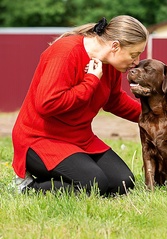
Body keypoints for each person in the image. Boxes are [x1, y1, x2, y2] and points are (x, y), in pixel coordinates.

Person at [12, 15, 149, 196]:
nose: (136, 61)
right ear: (115, 46)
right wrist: (90, 81)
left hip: (79, 139)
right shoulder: (66, 52)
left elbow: (114, 100)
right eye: (133, 54)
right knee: (94, 184)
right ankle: (28, 188)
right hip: (40, 139)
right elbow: (47, 104)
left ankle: (70, 175)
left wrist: (153, 116)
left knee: (123, 183)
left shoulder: (110, 64)